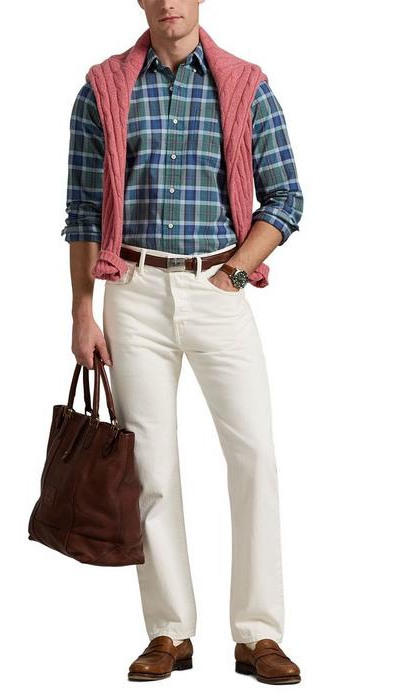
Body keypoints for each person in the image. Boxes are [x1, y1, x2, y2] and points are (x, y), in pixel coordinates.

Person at [60, 0, 304, 684]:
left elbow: (285, 198)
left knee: (254, 455)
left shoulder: (247, 85)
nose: (169, 3)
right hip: (133, 292)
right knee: (151, 467)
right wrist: (82, 312)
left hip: (218, 287)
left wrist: (234, 272)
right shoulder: (104, 87)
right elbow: (82, 208)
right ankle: (169, 630)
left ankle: (258, 633)